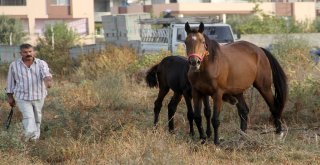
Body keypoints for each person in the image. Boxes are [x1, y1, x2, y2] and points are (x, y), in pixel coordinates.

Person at [6, 43, 52, 142]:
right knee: (28, 116)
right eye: (25, 52)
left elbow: (46, 74)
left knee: (37, 117)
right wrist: (10, 97)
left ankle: (35, 139)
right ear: (21, 53)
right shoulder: (14, 65)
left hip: (38, 95)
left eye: (30, 51)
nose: (28, 54)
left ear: (33, 52)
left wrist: (48, 80)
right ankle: (28, 138)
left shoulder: (41, 63)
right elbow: (10, 82)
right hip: (22, 97)